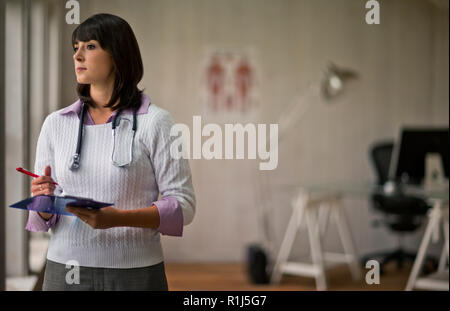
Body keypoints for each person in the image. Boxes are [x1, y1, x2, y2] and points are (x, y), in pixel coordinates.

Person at [25, 13, 196, 291]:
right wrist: (42, 201)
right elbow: (42, 218)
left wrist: (118, 219)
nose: (78, 55)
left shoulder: (156, 122)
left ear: (117, 54)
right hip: (65, 271)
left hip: (136, 274)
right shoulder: (55, 124)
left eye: (90, 46)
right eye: (75, 47)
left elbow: (184, 206)